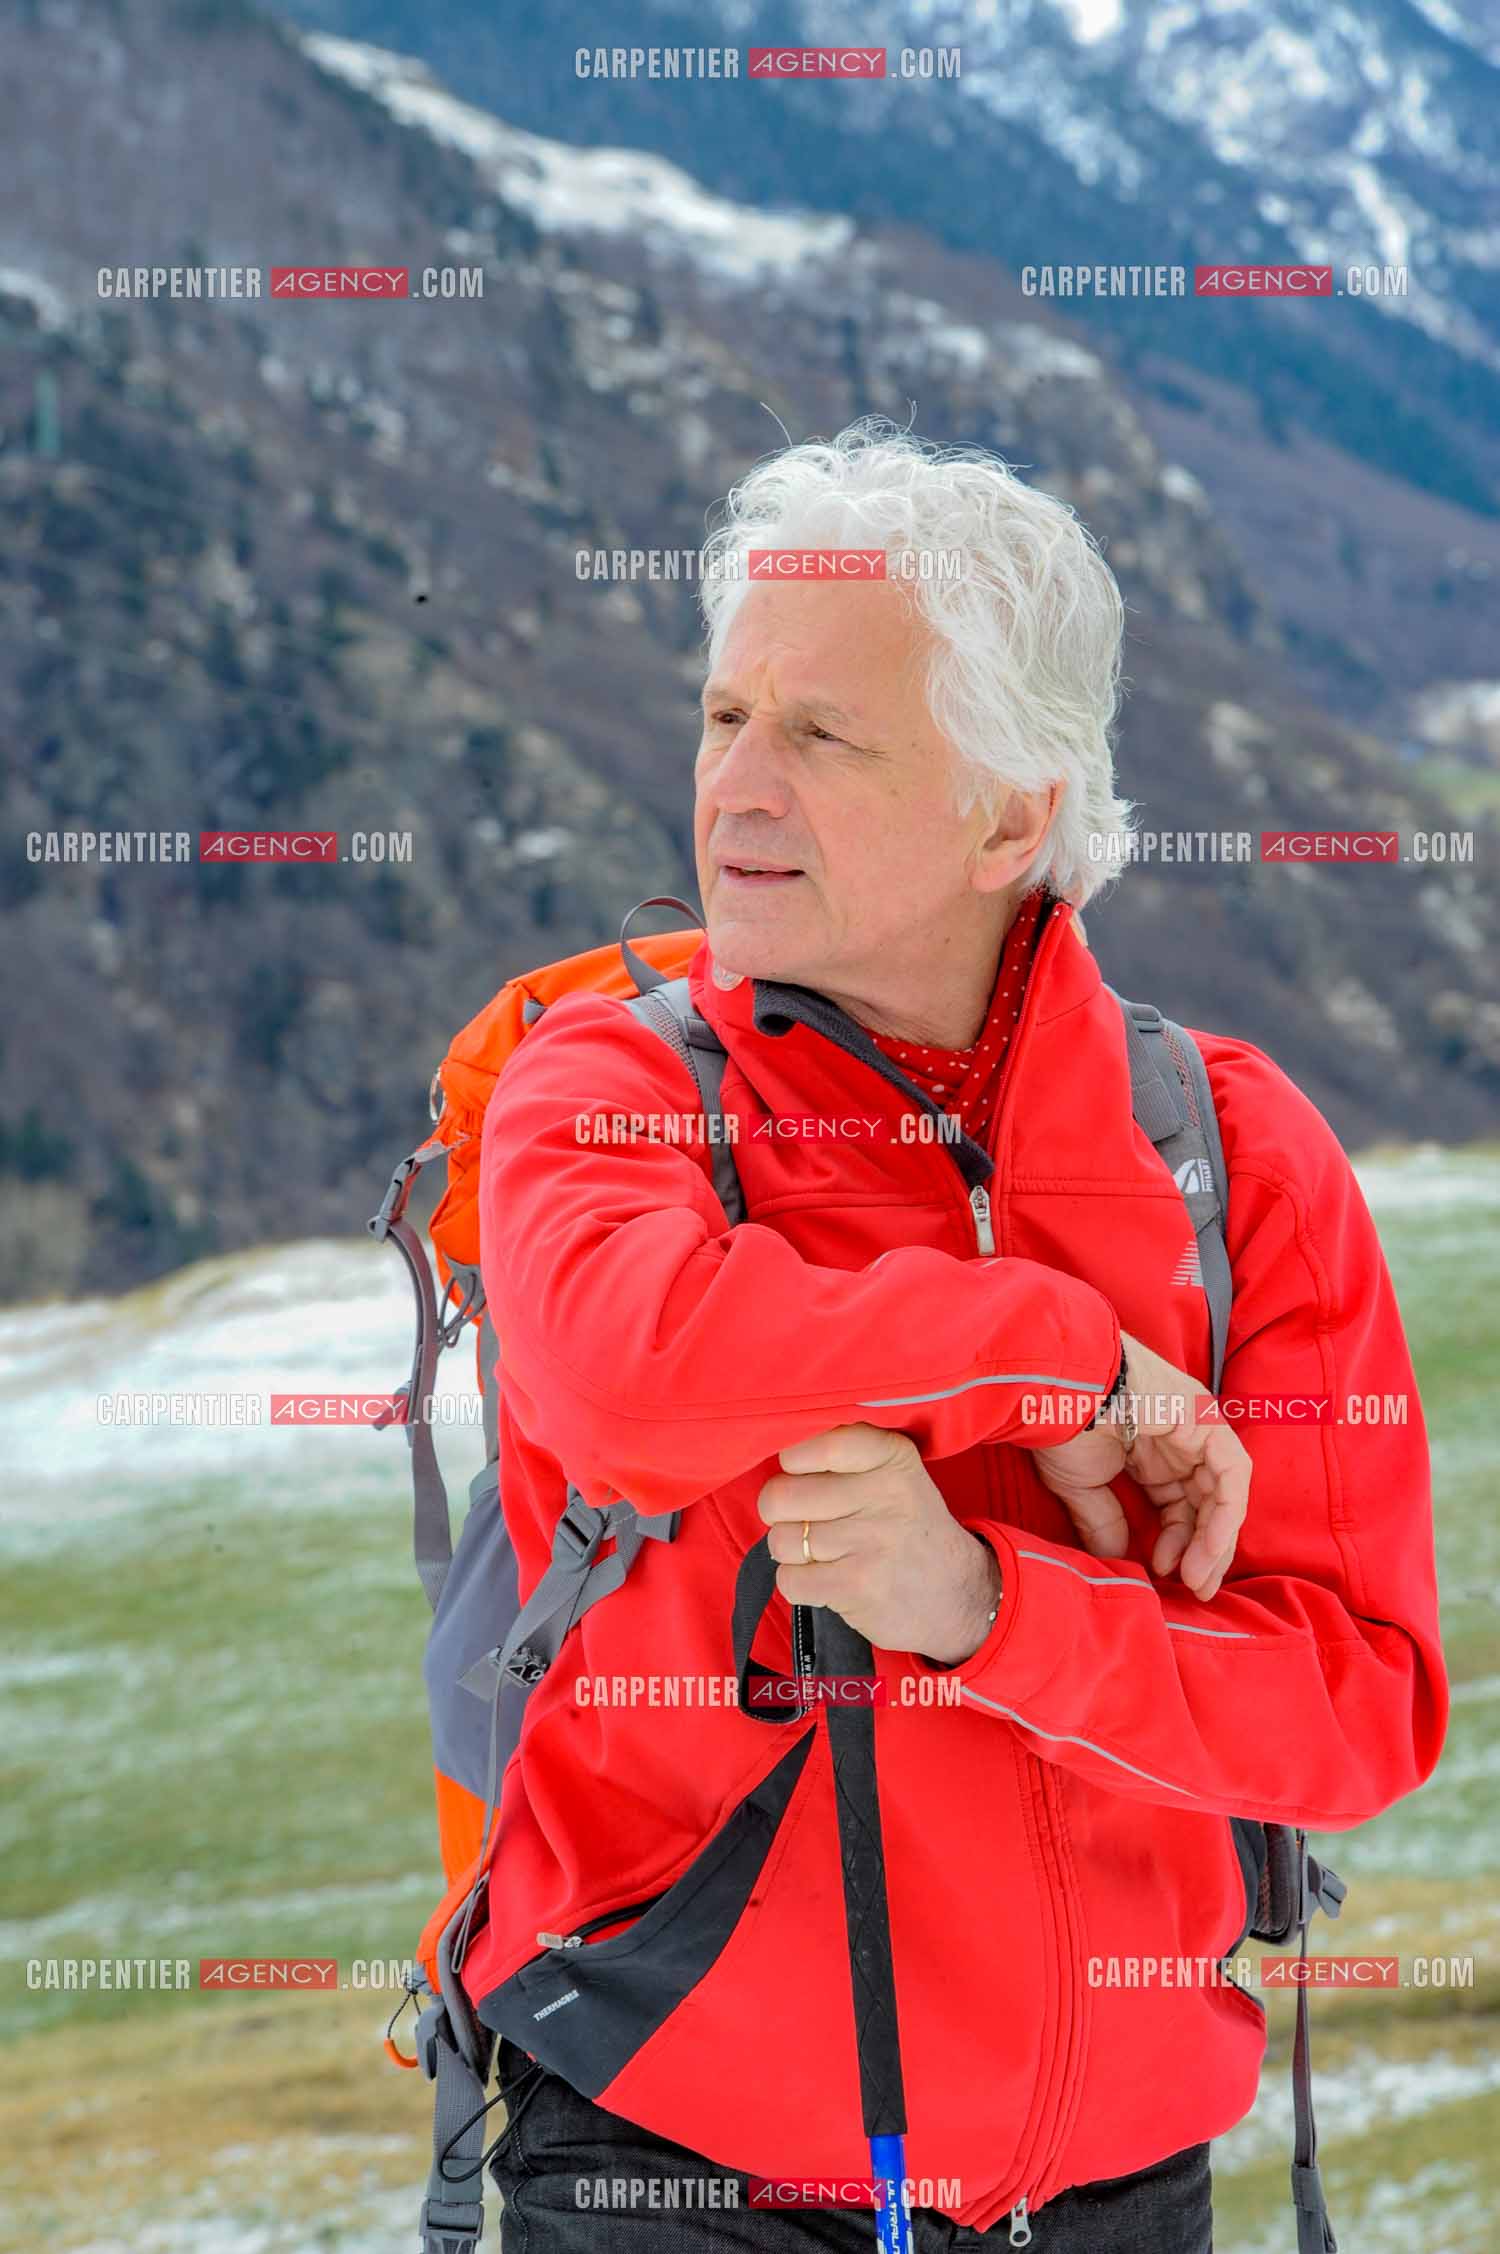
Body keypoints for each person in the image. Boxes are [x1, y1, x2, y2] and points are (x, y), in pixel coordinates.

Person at [467, 421, 1447, 2248]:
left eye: (822, 735)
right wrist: (1057, 1355)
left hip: (1122, 2196)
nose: (736, 789)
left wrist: (991, 1611)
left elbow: (1355, 1707)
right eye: (721, 716)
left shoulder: (1237, 1157)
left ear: (1014, 812)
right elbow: (624, 1375)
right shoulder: (607, 1084)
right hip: (674, 2182)